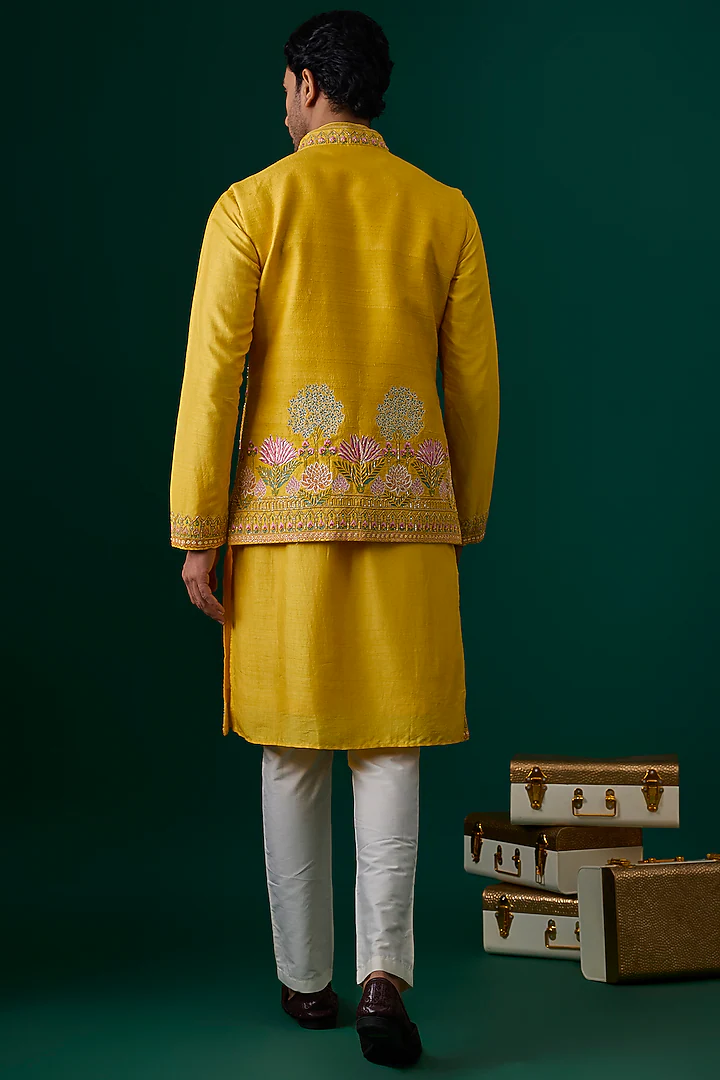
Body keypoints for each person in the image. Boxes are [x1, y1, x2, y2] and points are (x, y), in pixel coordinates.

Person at [170, 9, 499, 1069]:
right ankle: (382, 979)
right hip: (409, 518)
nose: (284, 102)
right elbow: (474, 384)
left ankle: (306, 981)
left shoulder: (250, 205)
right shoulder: (443, 210)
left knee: (292, 747)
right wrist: (464, 509)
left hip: (280, 528)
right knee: (389, 744)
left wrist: (197, 531)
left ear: (309, 83)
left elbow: (212, 378)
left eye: (286, 85)